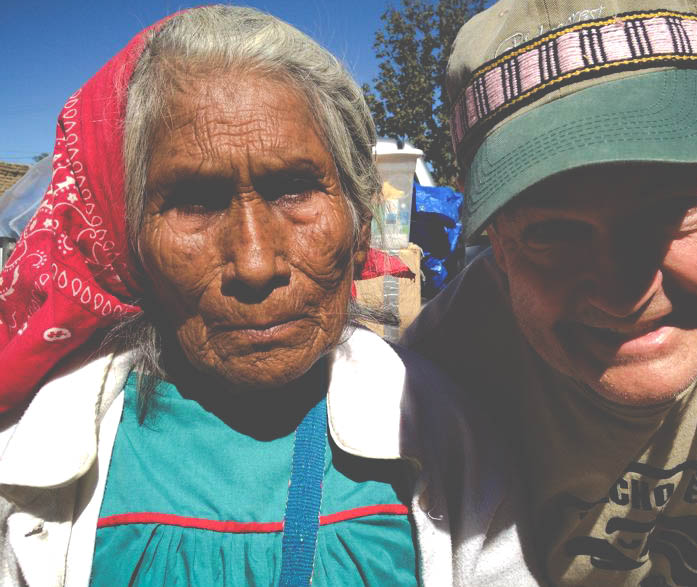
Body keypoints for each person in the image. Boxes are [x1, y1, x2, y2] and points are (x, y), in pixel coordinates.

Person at [0, 6, 535, 585]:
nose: (255, 264)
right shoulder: (33, 455)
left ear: (360, 228)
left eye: (295, 189)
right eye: (195, 202)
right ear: (132, 242)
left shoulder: (453, 440)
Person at [403, 0, 697, 584]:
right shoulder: (434, 379)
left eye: (671, 207)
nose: (620, 292)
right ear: (497, 240)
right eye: (552, 230)